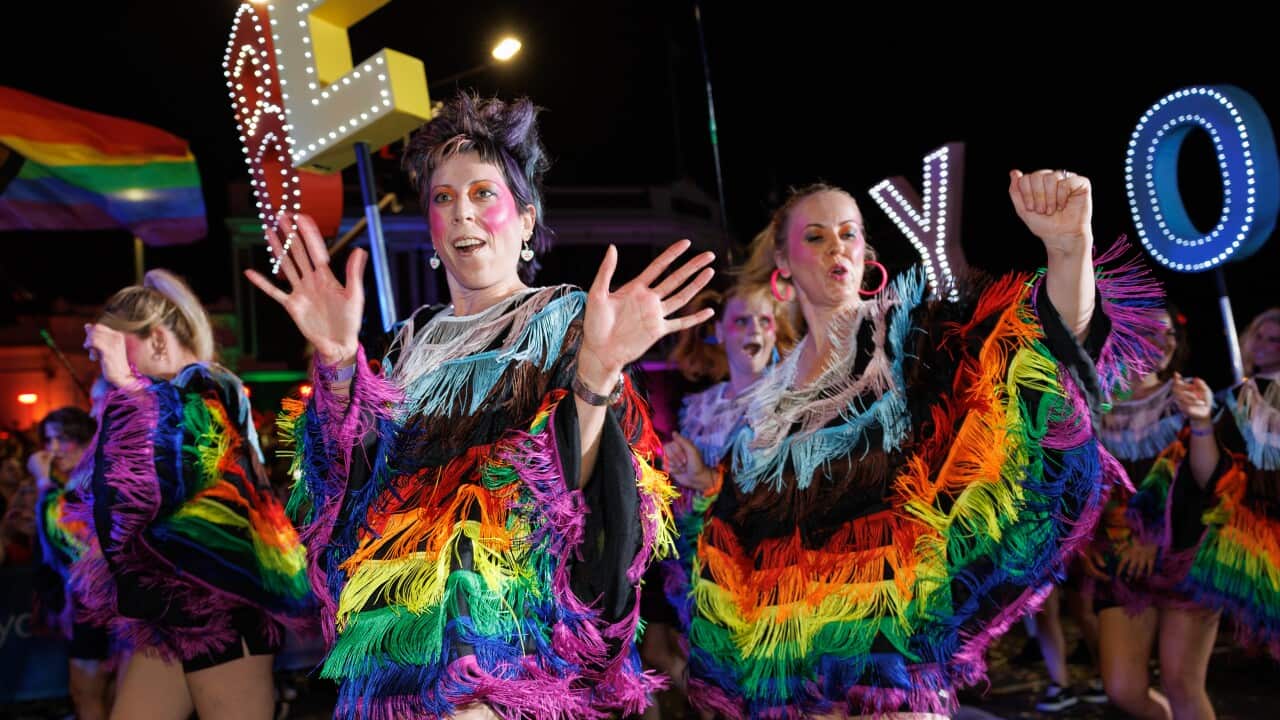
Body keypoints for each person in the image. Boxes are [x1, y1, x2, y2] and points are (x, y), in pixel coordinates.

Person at [247, 92, 715, 719]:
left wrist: (597, 374)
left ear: (525, 220)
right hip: (398, 659)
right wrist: (336, 364)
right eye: (444, 198)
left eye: (482, 194)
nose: (462, 212)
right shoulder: (407, 347)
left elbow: (589, 507)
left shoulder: (564, 324)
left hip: (510, 653)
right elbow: (342, 499)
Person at [667, 172, 1164, 718]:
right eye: (815, 236)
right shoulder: (770, 402)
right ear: (783, 264)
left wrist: (1069, 249)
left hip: (897, 660)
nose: (836, 245)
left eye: (849, 233)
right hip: (805, 677)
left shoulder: (913, 339)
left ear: (866, 252)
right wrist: (704, 486)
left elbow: (1036, 353)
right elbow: (744, 535)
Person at [70, 269, 311, 720]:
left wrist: (125, 385)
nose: (99, 362)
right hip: (173, 609)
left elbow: (164, 475)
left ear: (157, 340)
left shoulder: (204, 392)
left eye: (114, 346)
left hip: (220, 605)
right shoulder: (168, 398)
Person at [31, 406, 113, 720]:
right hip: (87, 603)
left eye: (62, 439)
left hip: (97, 604)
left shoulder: (90, 483)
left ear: (85, 439)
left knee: (87, 691)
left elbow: (69, 539)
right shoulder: (75, 483)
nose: (53, 449)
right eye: (49, 440)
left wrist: (43, 484)